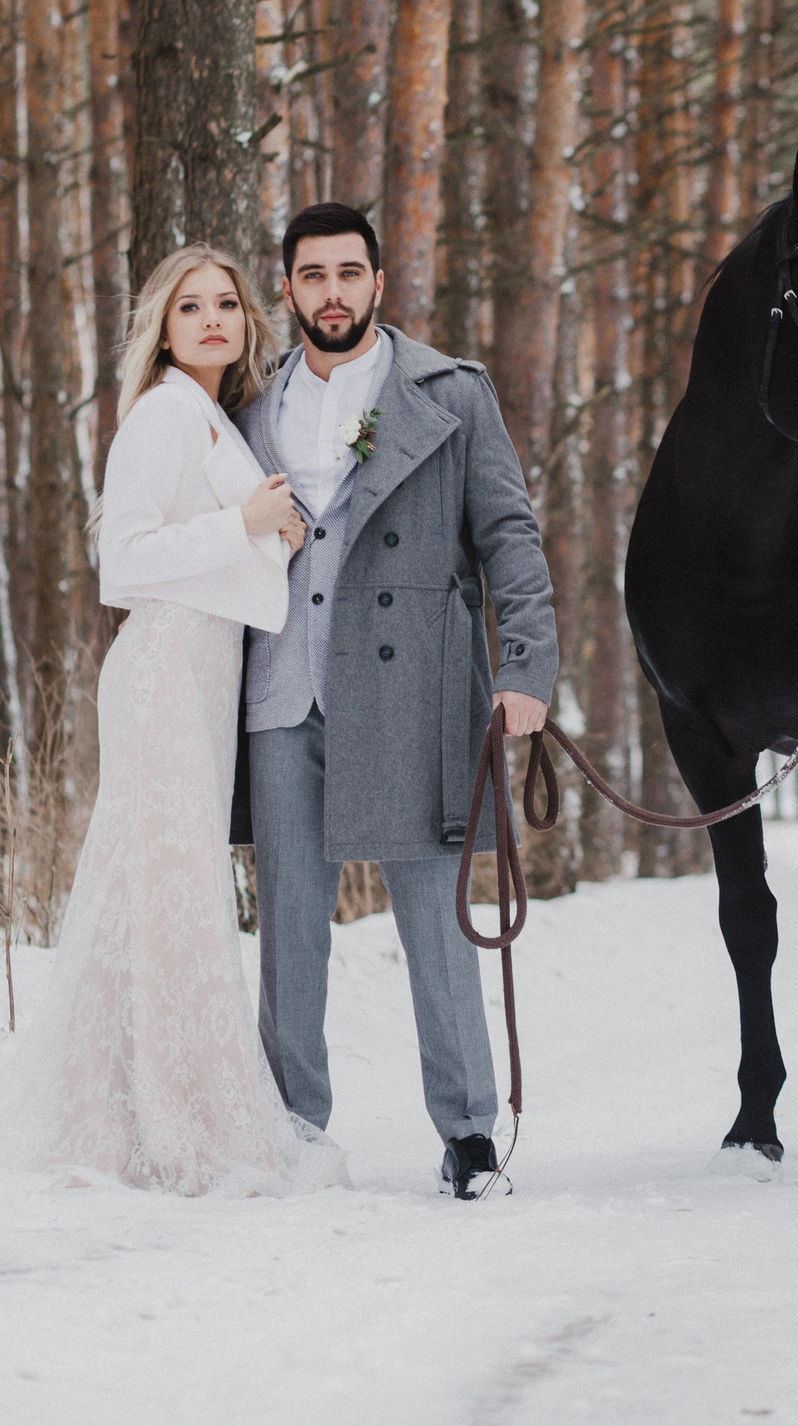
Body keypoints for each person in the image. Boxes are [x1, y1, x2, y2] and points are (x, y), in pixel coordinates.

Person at [0, 242, 345, 1197]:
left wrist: (274, 529)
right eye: (192, 308)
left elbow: (240, 544)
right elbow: (124, 563)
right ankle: (168, 1123)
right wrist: (245, 526)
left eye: (227, 303)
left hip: (204, 672)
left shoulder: (216, 422)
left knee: (158, 893)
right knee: (164, 889)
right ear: (164, 326)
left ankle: (123, 1112)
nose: (214, 319)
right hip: (162, 672)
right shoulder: (159, 415)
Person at [236, 202, 558, 1200]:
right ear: (287, 290)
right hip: (283, 688)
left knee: (434, 918)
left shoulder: (450, 396)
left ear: (378, 284)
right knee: (290, 927)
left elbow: (509, 533)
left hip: (415, 683)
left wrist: (527, 670)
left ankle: (466, 1133)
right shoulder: (248, 412)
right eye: (312, 275)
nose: (331, 292)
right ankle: (294, 1128)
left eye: (349, 273)